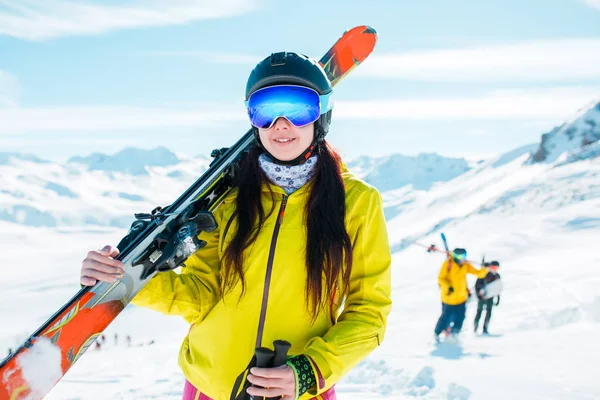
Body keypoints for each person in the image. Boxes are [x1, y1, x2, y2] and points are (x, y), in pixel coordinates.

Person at [80, 51, 392, 400]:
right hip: (208, 386)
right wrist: (126, 275)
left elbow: (369, 312)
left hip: (298, 390)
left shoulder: (357, 202)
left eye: (298, 108)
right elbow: (201, 294)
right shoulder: (226, 197)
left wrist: (310, 370)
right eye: (265, 110)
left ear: (322, 115)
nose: (281, 124)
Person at [434, 248, 488, 342]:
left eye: (464, 256)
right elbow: (441, 278)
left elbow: (478, 274)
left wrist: (484, 268)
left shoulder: (465, 265)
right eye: (461, 256)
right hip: (449, 298)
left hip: (461, 297)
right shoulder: (448, 264)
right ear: (456, 256)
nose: (463, 258)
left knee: (461, 317)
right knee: (446, 317)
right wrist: (448, 286)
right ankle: (437, 333)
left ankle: (455, 333)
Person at [474, 261, 501, 334]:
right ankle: (475, 328)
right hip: (482, 297)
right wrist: (479, 294)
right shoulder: (484, 273)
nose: (495, 269)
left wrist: (498, 299)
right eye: (494, 267)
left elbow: (497, 288)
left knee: (488, 313)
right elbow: (477, 285)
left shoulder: (497, 276)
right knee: (479, 312)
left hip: (490, 297)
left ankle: (485, 328)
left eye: (496, 267)